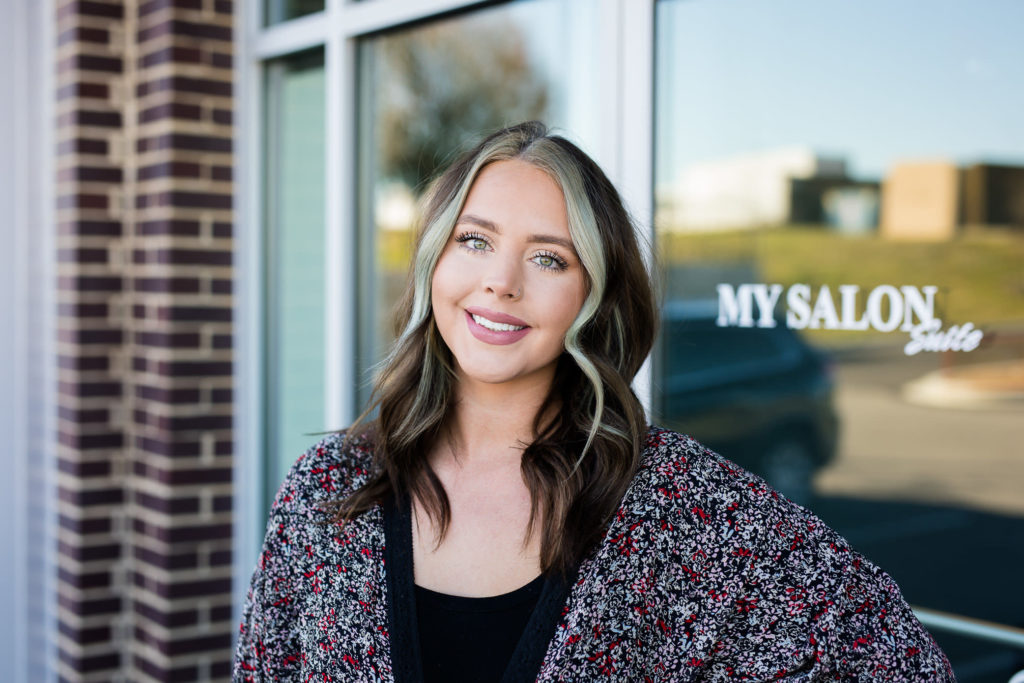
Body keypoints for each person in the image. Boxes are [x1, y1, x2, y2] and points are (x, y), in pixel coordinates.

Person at [233, 122, 954, 682]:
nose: (501, 282)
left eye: (549, 257)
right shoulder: (327, 491)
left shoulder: (677, 501)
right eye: (474, 240)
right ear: (433, 262)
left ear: (594, 293)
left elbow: (890, 655)